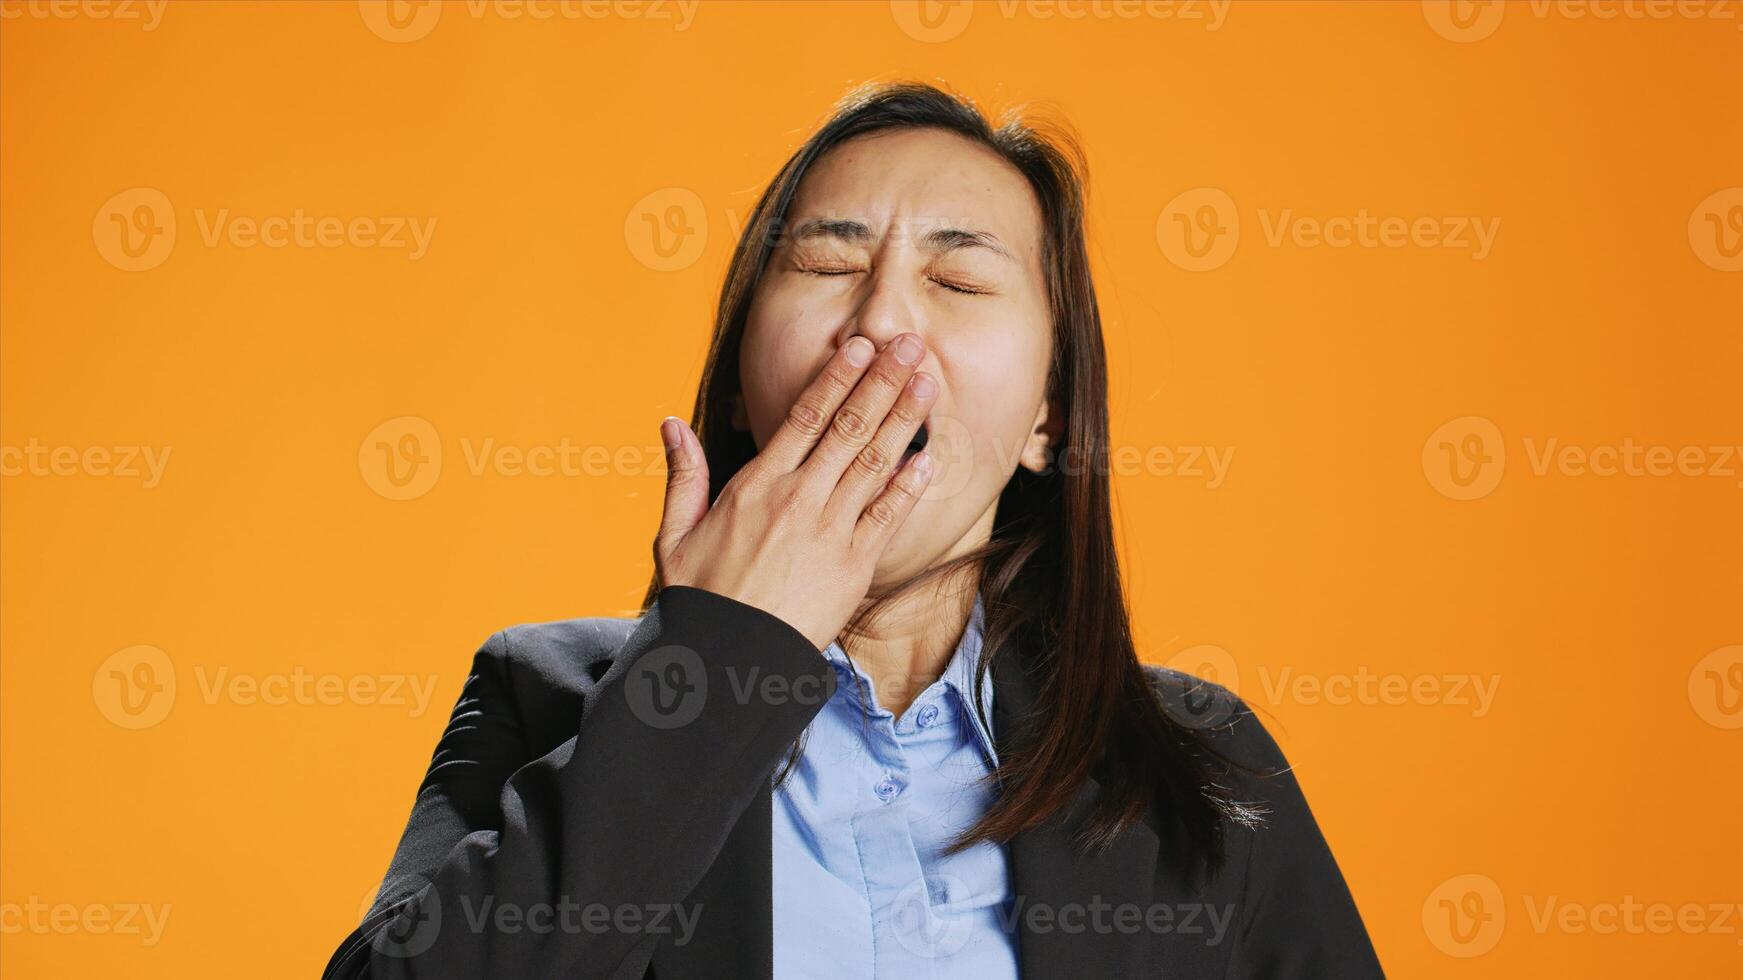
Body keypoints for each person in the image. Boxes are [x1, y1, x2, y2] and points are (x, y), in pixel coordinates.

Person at [323, 81, 1383, 979]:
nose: (880, 324)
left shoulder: (1197, 763)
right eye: (830, 266)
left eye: (960, 278)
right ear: (742, 384)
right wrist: (713, 668)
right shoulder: (544, 693)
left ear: (1050, 416)